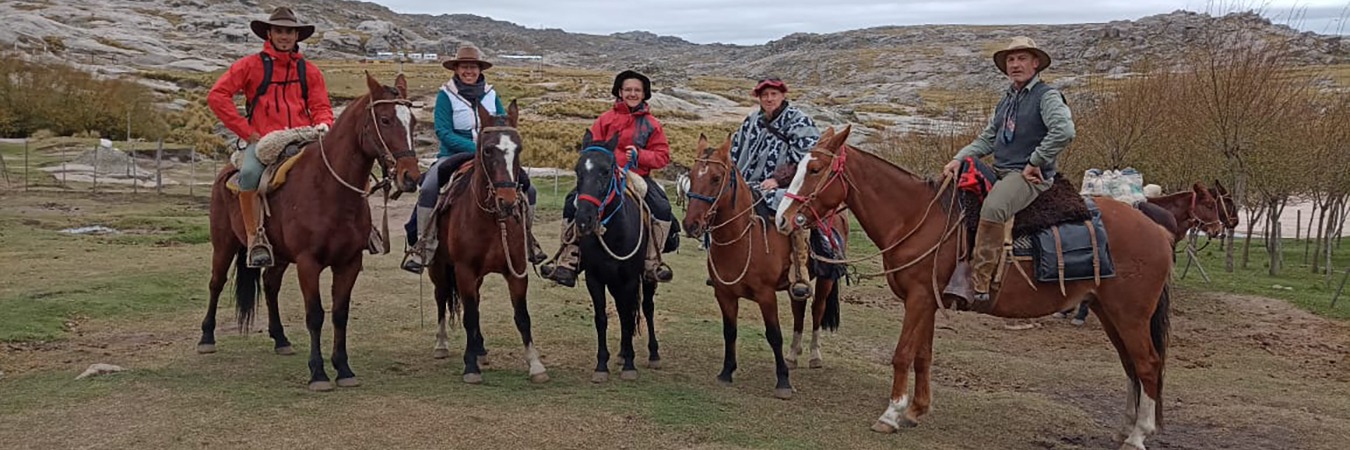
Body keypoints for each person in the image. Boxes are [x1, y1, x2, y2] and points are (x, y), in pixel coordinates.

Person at [942, 36, 1076, 302]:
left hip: (1029, 175)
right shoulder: (1007, 99)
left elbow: (1064, 131)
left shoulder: (1046, 96)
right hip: (1001, 170)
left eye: (1022, 58)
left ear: (1035, 63)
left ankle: (979, 281)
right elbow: (988, 139)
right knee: (953, 192)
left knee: (994, 208)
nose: (1015, 64)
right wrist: (959, 158)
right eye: (1011, 60)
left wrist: (1035, 161)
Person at [208, 6, 334, 268]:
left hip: (303, 138)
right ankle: (255, 238)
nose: (284, 36)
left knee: (341, 169)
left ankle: (357, 233)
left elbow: (321, 105)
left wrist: (324, 124)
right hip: (264, 142)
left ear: (297, 36)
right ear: (269, 33)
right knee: (249, 174)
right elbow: (217, 96)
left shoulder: (309, 71)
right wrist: (247, 131)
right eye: (279, 31)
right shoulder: (249, 66)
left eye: (289, 32)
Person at [401, 44, 544, 274]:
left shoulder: (491, 94)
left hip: (491, 156)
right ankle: (424, 246)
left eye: (473, 67)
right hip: (453, 155)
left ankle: (528, 240)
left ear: (480, 69)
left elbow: (503, 125)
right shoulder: (445, 95)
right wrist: (476, 149)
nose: (469, 71)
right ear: (456, 69)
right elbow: (443, 131)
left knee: (530, 189)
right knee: (428, 188)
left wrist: (495, 148)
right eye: (464, 67)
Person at [541, 70, 678, 286]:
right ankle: (569, 259)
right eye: (628, 89)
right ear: (620, 92)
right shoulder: (605, 119)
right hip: (604, 175)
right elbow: (591, 148)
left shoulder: (652, 124)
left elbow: (662, 156)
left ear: (644, 94)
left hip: (637, 175)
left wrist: (640, 155)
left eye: (637, 90)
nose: (632, 93)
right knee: (572, 202)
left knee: (661, 207)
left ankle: (652, 262)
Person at [728, 77, 822, 301]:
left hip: (789, 185)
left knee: (791, 211)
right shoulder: (751, 121)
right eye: (764, 95)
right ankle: (724, 266)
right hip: (748, 182)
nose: (769, 99)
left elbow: (808, 159)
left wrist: (778, 180)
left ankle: (799, 270)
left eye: (774, 94)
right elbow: (735, 150)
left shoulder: (800, 122)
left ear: (783, 95)